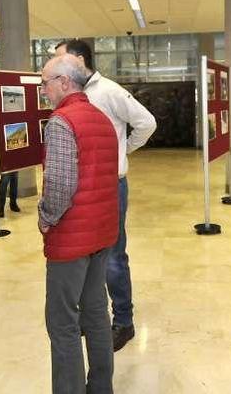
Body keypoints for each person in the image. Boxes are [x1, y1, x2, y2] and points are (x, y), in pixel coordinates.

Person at [55, 39, 156, 352]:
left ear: (79, 59)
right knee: (86, 254)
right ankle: (94, 316)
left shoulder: (108, 90)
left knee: (112, 256)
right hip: (80, 186)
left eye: (61, 58)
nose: (56, 66)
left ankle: (123, 322)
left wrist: (120, 152)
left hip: (111, 185)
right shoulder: (68, 92)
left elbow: (146, 123)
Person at [39, 54, 119, 394]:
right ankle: (101, 387)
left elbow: (59, 188)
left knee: (62, 323)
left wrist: (45, 219)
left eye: (44, 83)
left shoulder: (61, 122)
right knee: (96, 312)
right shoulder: (100, 118)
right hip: (101, 233)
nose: (42, 90)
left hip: (71, 239)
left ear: (64, 82)